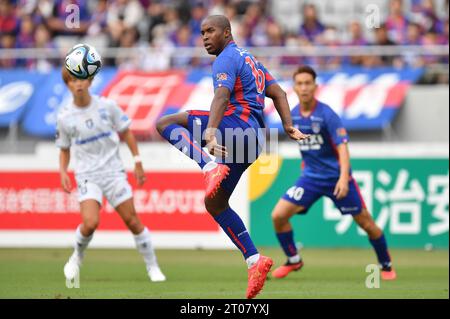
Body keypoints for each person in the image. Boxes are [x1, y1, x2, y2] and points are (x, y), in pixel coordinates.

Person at [156, 15, 308, 299]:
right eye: (201, 32)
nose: (204, 37)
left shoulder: (225, 58)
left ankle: (208, 165)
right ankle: (254, 260)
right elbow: (280, 92)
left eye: (210, 31)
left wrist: (211, 133)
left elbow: (222, 98)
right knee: (214, 203)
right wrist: (288, 125)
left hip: (236, 128)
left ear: (227, 32)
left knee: (165, 123)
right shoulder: (252, 60)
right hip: (254, 141)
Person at [270, 65, 397, 281]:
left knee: (366, 223)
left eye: (308, 83)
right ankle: (294, 260)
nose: (304, 88)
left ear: (315, 86)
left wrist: (343, 179)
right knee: (278, 215)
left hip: (337, 179)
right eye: (299, 84)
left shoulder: (327, 114)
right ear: (294, 87)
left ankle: (386, 265)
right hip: (310, 178)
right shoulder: (292, 116)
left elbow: (342, 147)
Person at [57, 64, 166, 283]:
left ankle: (152, 266)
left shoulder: (107, 106)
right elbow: (64, 148)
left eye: (81, 78)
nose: (77, 83)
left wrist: (137, 162)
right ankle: (77, 256)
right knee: (90, 223)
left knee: (133, 221)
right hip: (88, 174)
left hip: (114, 172)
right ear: (68, 84)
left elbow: (127, 133)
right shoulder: (65, 116)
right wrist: (62, 171)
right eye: (72, 80)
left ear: (89, 81)